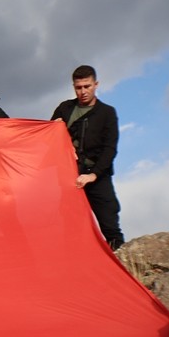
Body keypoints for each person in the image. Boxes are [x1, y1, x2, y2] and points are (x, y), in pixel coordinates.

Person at [50, 65, 124, 250]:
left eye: (87, 86)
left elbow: (110, 149)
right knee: (70, 229)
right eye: (78, 87)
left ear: (96, 84)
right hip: (69, 177)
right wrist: (54, 128)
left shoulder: (107, 113)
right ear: (73, 87)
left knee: (111, 228)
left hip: (98, 177)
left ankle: (122, 264)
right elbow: (48, 139)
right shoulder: (64, 108)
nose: (83, 91)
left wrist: (93, 175)